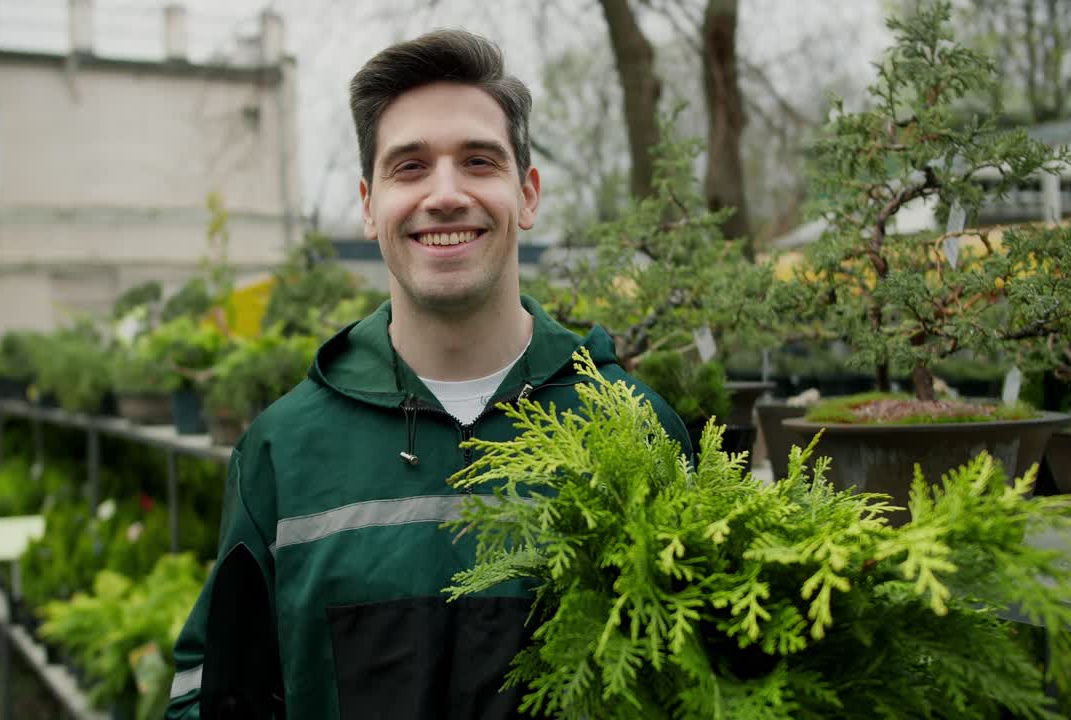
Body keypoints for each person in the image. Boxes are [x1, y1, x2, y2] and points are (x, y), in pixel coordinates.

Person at [166, 29, 693, 720]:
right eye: (409, 167)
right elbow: (217, 696)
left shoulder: (634, 429)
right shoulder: (283, 455)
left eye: (478, 161)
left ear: (527, 194)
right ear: (368, 203)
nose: (444, 195)